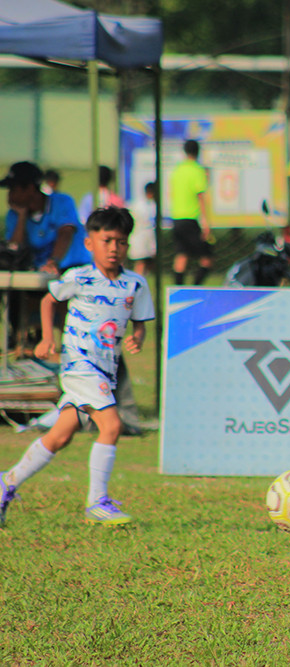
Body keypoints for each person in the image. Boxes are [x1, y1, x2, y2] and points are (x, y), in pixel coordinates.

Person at [0, 206, 155, 528]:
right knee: (111, 426)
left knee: (60, 436)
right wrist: (46, 337)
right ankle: (96, 502)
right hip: (80, 366)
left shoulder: (135, 284)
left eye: (121, 242)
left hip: (106, 371)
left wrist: (137, 338)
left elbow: (140, 322)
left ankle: (6, 483)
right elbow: (48, 300)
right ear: (89, 243)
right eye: (107, 240)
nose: (114, 248)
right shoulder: (80, 277)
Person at [2, 161, 91, 273]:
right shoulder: (14, 214)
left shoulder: (62, 202)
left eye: (13, 189)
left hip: (73, 269)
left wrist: (53, 262)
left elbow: (66, 233)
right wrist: (22, 217)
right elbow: (15, 249)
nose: (9, 195)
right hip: (39, 273)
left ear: (30, 188)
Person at [169, 139, 212, 285]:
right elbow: (200, 195)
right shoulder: (197, 170)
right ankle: (195, 288)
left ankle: (177, 291)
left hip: (176, 217)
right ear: (198, 152)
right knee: (206, 258)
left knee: (181, 256)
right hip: (191, 217)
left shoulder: (177, 170)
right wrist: (205, 222)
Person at [127, 181, 158, 276]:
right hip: (140, 238)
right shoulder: (141, 205)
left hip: (143, 239)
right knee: (141, 263)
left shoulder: (147, 204)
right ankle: (137, 284)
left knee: (147, 263)